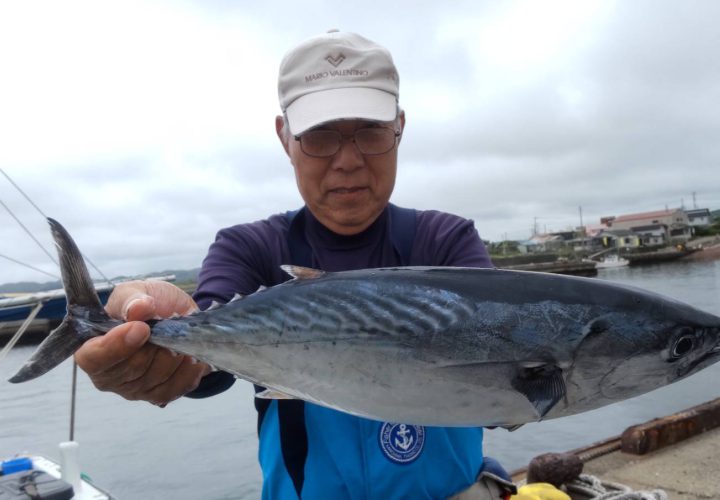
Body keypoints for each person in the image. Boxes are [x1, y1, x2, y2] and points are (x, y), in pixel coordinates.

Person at [75, 30, 513, 499]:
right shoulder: (251, 247)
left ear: (399, 128)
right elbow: (207, 361)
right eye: (320, 136)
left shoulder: (445, 241)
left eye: (370, 131)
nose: (348, 160)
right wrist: (163, 343)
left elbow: (500, 390)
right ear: (285, 137)